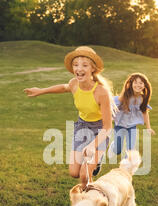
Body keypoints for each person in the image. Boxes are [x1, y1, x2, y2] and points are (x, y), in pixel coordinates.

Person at [24, 46, 117, 187]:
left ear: (92, 68)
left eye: (84, 65)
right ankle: (93, 167)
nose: (79, 69)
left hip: (100, 131)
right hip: (82, 126)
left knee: (84, 175)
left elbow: (108, 127)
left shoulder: (101, 92)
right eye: (76, 65)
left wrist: (93, 145)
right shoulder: (74, 84)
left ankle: (91, 189)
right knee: (74, 172)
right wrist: (41, 91)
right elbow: (63, 87)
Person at [107, 73, 155, 159]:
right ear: (131, 84)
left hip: (132, 126)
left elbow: (145, 112)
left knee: (130, 150)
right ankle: (113, 146)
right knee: (118, 150)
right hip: (119, 125)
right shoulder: (125, 96)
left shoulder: (142, 98)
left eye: (141, 83)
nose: (138, 85)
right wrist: (109, 119)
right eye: (136, 82)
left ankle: (125, 168)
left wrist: (148, 127)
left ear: (144, 85)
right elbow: (113, 106)